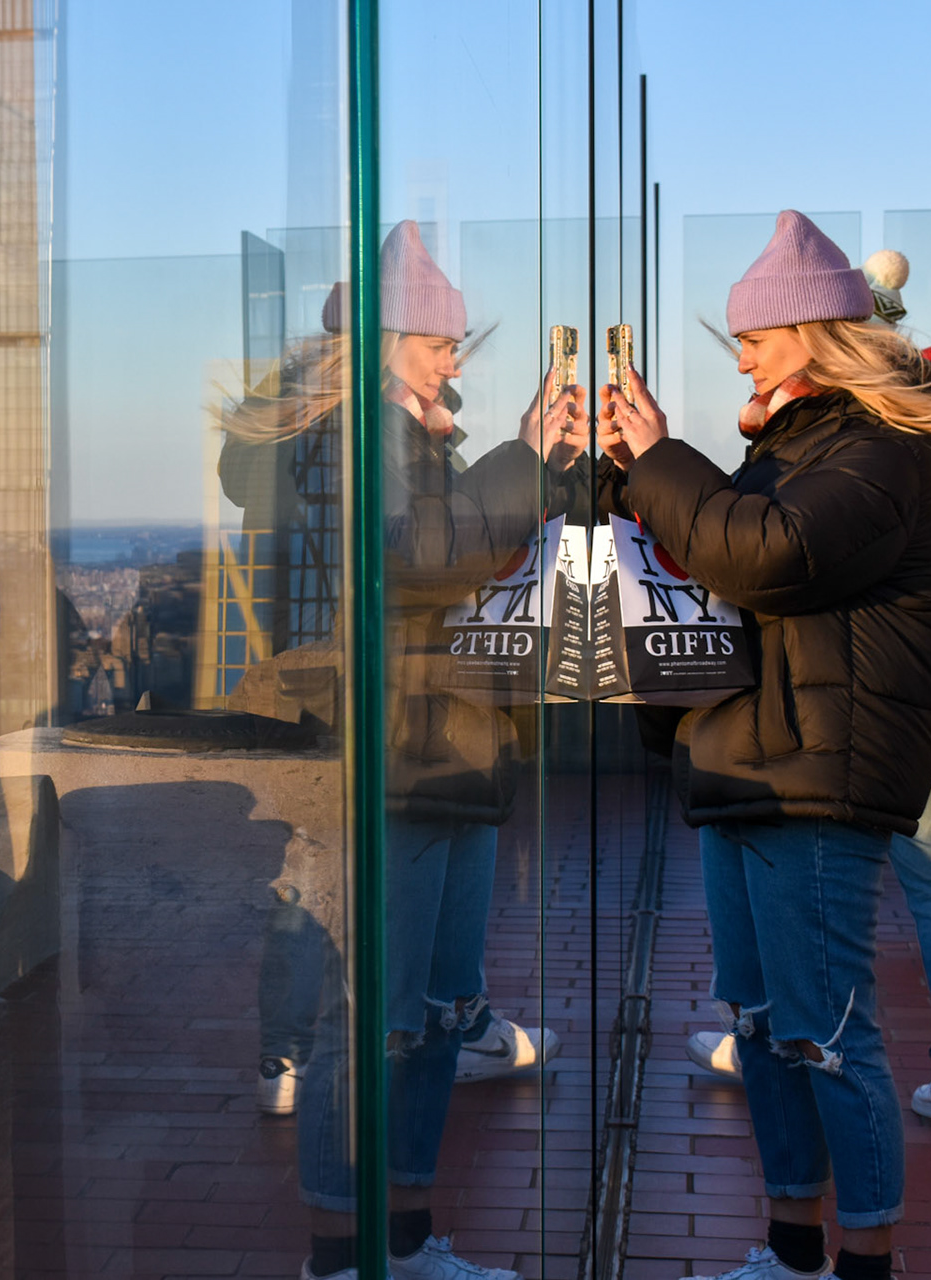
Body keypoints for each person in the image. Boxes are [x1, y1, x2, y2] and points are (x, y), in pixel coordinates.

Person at [595, 211, 931, 1280]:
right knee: (768, 1021)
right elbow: (713, 544)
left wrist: (662, 457)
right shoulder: (797, 446)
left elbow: (769, 552)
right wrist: (629, 476)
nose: (744, 354)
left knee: (827, 1029)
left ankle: (864, 1257)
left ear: (814, 333)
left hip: (819, 771)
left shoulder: (883, 451)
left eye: (756, 336)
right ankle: (792, 1249)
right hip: (751, 761)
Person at [219, 220, 584, 1280]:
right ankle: (344, 1250)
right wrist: (518, 455)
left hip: (449, 736)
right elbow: (416, 557)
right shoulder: (366, 435)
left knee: (428, 1013)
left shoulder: (405, 432)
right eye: (436, 335)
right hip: (404, 743)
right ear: (385, 338)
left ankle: (406, 1239)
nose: (453, 353)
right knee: (380, 1021)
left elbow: (455, 547)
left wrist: (531, 466)